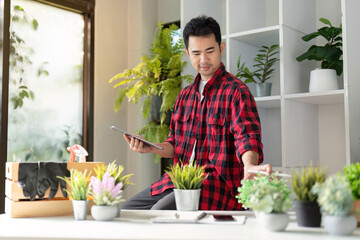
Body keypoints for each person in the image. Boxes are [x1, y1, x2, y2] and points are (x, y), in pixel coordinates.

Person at [121, 15, 272, 211]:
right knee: (126, 210)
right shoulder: (184, 96)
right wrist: (150, 147)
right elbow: (175, 144)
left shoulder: (237, 92)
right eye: (196, 53)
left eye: (210, 51)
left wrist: (250, 166)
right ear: (187, 53)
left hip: (215, 185)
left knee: (158, 213)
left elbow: (247, 137)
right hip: (179, 180)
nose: (203, 60)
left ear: (221, 48)